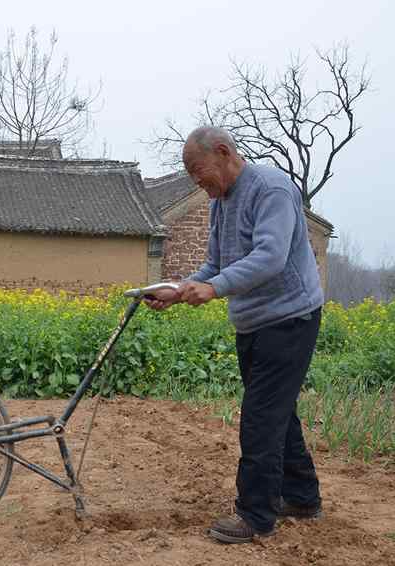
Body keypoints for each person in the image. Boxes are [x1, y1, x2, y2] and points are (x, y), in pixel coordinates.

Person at [145, 126, 325, 544]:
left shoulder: (272, 189)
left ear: (224, 152)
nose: (195, 180)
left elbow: (270, 256)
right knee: (277, 413)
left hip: (289, 319)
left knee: (261, 418)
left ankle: (256, 515)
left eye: (197, 170)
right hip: (253, 323)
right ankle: (300, 496)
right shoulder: (220, 202)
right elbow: (214, 264)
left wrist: (214, 288)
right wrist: (178, 290)